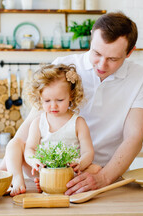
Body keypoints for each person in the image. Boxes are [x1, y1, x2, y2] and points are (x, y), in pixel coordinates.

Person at [0, 11, 143, 196]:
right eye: (97, 53)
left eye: (113, 59)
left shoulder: (140, 77)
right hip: (52, 170)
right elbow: (26, 131)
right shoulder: (64, 66)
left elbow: (133, 137)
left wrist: (103, 178)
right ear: (91, 38)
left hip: (100, 172)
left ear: (130, 52)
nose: (102, 65)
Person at [23, 64, 101, 196]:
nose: (53, 105)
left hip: (70, 170)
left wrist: (80, 163)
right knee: (23, 161)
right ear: (39, 98)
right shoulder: (38, 123)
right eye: (47, 100)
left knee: (96, 169)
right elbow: (29, 148)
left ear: (71, 96)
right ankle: (45, 181)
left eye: (59, 100)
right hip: (47, 169)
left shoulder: (78, 123)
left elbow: (88, 152)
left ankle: (59, 184)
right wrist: (33, 161)